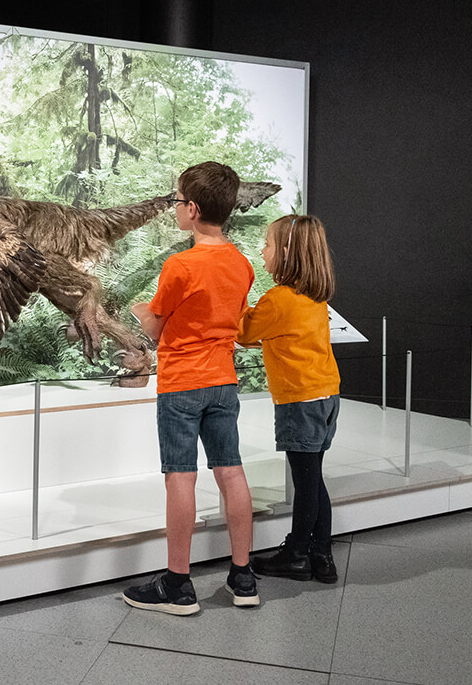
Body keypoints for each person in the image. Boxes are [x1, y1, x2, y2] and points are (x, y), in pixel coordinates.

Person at [122, 161, 259, 614]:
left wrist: (140, 311)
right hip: (223, 381)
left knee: (180, 476)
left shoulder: (179, 265)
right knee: (232, 471)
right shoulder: (242, 264)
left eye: (178, 201)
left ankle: (178, 584)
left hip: (181, 384)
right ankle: (243, 577)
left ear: (193, 209)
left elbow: (157, 328)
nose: (175, 208)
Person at [236, 213, 341, 583]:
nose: (261, 252)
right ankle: (322, 556)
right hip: (327, 395)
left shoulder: (279, 299)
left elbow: (244, 332)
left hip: (300, 400)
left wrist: (233, 292)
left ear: (284, 252)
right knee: (314, 479)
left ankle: (296, 553)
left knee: (306, 482)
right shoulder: (314, 296)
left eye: (265, 245)